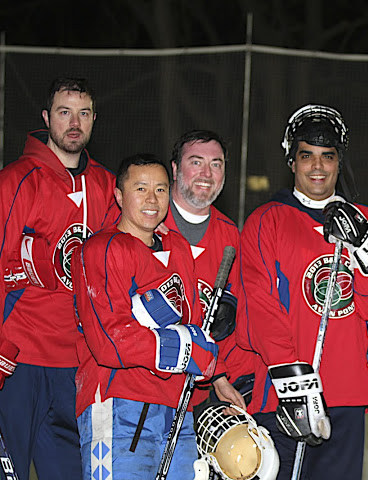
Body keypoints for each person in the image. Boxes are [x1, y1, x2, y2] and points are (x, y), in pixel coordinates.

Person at [237, 104, 368, 479]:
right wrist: (293, 380)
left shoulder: (367, 220)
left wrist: (366, 252)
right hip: (283, 394)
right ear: (292, 162)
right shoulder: (266, 220)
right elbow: (258, 307)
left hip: (346, 393)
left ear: (339, 162)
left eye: (328, 156)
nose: (317, 167)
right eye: (307, 156)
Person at [72, 154, 218, 478]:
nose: (152, 199)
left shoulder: (178, 247)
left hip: (177, 408)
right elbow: (110, 341)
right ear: (119, 195)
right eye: (141, 189)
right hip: (120, 404)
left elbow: (193, 323)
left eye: (161, 190)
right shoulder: (101, 248)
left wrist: (207, 352)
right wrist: (186, 349)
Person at [0, 77, 117, 479]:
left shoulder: (107, 186)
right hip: (19, 359)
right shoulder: (15, 180)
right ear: (47, 118)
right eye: (65, 112)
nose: (74, 123)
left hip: (75, 363)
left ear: (94, 119)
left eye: (84, 113)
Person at [164, 130, 256, 412]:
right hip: (143, 386)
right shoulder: (146, 220)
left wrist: (231, 380)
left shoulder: (230, 235)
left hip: (200, 394)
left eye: (216, 164)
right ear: (175, 169)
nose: (206, 173)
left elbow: (230, 322)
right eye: (196, 162)